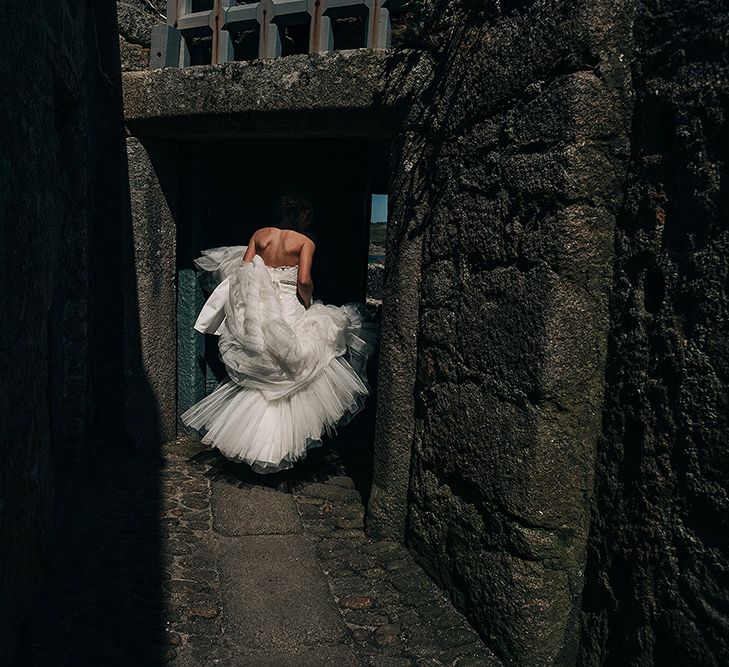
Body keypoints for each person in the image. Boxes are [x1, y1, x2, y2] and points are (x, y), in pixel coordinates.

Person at [180, 194, 377, 473]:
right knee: (291, 372)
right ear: (305, 215)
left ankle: (254, 447)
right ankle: (279, 450)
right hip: (289, 309)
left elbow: (242, 273)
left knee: (262, 376)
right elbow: (304, 280)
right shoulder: (305, 241)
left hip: (261, 311)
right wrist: (308, 303)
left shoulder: (260, 235)